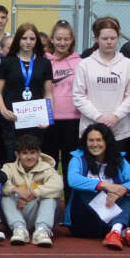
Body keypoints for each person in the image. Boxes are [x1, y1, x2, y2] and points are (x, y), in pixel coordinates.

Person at [64, 122, 130, 248]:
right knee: (85, 189)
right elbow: (73, 180)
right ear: (85, 142)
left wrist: (122, 190)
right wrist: (104, 185)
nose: (95, 144)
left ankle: (115, 231)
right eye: (91, 140)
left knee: (126, 191)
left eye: (99, 140)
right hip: (85, 223)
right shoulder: (78, 159)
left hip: (106, 224)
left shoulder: (119, 160)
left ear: (107, 141)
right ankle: (123, 230)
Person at [72, 17, 130, 165]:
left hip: (120, 130)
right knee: (91, 170)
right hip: (91, 130)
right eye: (104, 38)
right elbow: (78, 96)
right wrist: (98, 117)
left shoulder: (128, 65)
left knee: (117, 170)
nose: (109, 42)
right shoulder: (85, 65)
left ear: (118, 37)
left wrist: (115, 116)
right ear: (96, 38)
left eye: (113, 38)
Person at [0, 132, 63, 246]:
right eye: (24, 153)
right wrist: (16, 190)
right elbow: (0, 183)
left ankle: (42, 231)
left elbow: (58, 186)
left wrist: (33, 194)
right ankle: (19, 229)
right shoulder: (8, 168)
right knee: (6, 196)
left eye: (33, 152)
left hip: (39, 213)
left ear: (39, 153)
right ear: (17, 154)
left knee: (50, 197)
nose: (29, 157)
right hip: (17, 212)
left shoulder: (48, 169)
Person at [46, 21, 82, 167]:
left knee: (71, 163)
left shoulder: (80, 62)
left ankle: (70, 184)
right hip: (50, 120)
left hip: (73, 119)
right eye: (59, 39)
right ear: (52, 39)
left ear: (72, 40)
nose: (62, 43)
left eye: (66, 39)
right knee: (49, 163)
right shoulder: (44, 62)